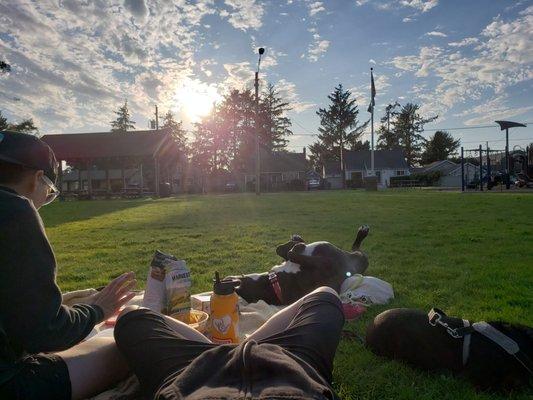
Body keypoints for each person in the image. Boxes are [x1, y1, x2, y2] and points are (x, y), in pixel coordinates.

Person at [0, 131, 137, 400]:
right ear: (37, 178)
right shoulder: (16, 210)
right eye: (48, 193)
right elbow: (46, 333)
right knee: (124, 346)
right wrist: (98, 309)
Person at [115, 286, 345, 399]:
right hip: (296, 371)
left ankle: (218, 350)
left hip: (192, 377)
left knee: (131, 316)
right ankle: (230, 349)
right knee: (326, 296)